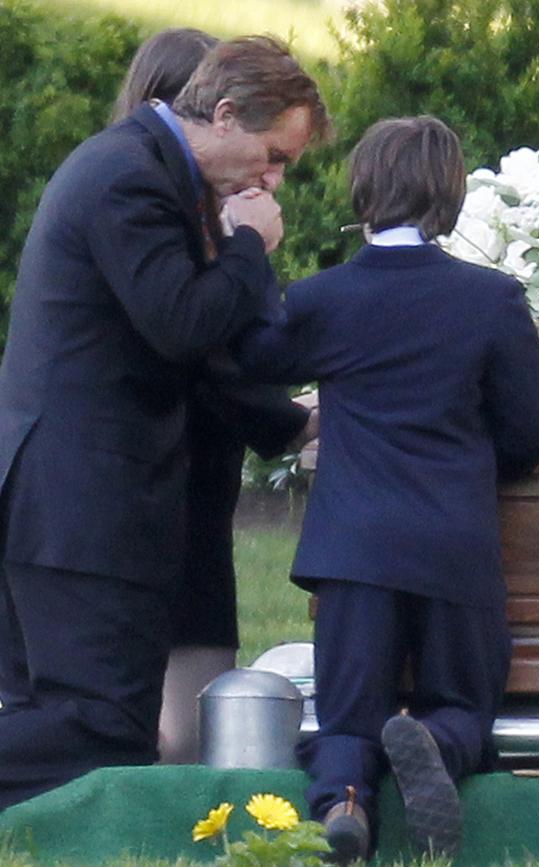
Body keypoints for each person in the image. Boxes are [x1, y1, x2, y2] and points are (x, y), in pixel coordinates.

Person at [0, 35, 329, 810]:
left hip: (68, 501)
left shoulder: (143, 169)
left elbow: (194, 356)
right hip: (79, 504)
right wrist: (249, 245)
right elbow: (183, 324)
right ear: (223, 115)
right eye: (274, 155)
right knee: (105, 728)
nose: (274, 180)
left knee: (59, 718)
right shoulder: (130, 178)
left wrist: (286, 422)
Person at [235, 116, 539, 864]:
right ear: (450, 195)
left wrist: (250, 256)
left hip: (352, 549)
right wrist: (478, 461)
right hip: (453, 544)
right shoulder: (491, 298)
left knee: (347, 714)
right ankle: (436, 746)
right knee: (465, 702)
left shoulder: (324, 299)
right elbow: (532, 433)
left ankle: (346, 802)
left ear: (363, 188)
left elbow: (255, 358)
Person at [111, 27, 316, 764]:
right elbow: (199, 346)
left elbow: (250, 335)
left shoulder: (212, 210)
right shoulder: (143, 198)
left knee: (195, 690)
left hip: (201, 475)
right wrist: (294, 421)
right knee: (141, 695)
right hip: (154, 472)